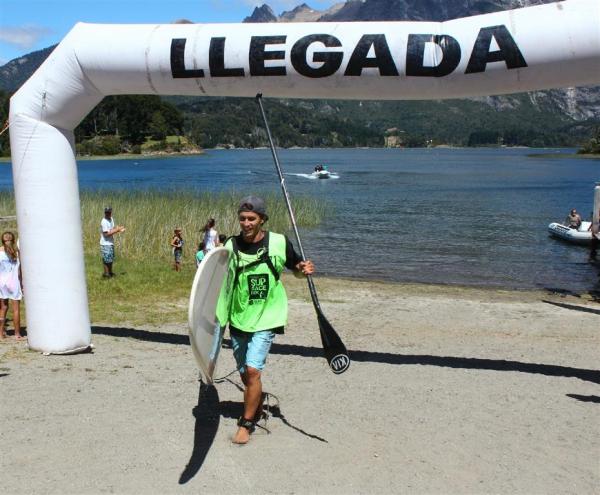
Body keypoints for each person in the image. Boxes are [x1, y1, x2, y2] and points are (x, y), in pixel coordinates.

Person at [216, 196, 314, 445]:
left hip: (268, 316)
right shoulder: (230, 246)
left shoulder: (279, 242)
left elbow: (296, 268)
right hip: (239, 318)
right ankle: (256, 403)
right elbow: (218, 281)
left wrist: (303, 270)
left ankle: (247, 424)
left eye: (251, 219)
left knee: (252, 370)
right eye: (242, 219)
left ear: (262, 220)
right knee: (244, 374)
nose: (246, 223)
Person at [0, 232, 23, 340]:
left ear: (2, 240)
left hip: (2, 282)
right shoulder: (17, 252)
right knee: (16, 309)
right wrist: (22, 283)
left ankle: (1, 334)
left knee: (3, 308)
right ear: (13, 240)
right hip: (14, 282)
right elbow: (19, 271)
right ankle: (17, 334)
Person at [100, 206, 125, 278]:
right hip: (105, 243)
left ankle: (110, 273)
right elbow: (106, 234)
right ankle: (106, 274)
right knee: (106, 260)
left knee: (110, 259)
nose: (107, 213)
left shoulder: (111, 219)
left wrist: (119, 229)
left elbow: (112, 229)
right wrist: (117, 230)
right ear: (105, 213)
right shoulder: (104, 221)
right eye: (106, 212)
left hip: (110, 243)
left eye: (109, 212)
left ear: (111, 212)